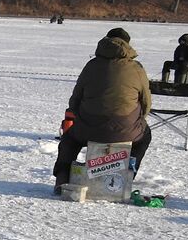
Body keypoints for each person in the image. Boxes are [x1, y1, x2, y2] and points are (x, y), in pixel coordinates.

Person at [51, 28, 152, 195]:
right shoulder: (136, 69)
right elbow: (146, 103)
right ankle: (127, 176)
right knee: (144, 137)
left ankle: (62, 178)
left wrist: (83, 118)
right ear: (127, 45)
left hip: (89, 129)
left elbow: (74, 101)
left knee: (69, 140)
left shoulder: (91, 66)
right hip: (126, 131)